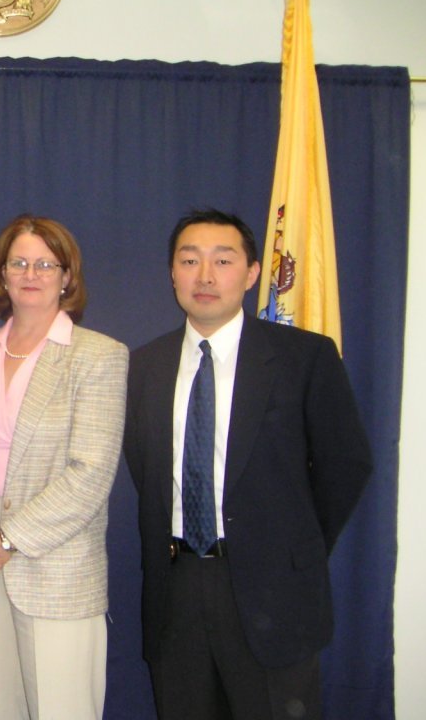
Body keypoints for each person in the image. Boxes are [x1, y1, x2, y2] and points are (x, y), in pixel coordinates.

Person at [123, 209, 372, 720]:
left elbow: (345, 464)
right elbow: (144, 468)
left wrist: (291, 546)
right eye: (189, 260)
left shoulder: (303, 357)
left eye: (223, 260)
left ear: (253, 272)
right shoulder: (144, 365)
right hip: (176, 590)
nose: (205, 276)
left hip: (273, 592)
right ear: (172, 273)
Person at [0, 215, 128, 719]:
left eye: (45, 264)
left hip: (57, 560)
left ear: (67, 276)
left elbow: (91, 473)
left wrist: (8, 538)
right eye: (19, 263)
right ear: (2, 274)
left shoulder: (98, 356)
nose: (31, 274)